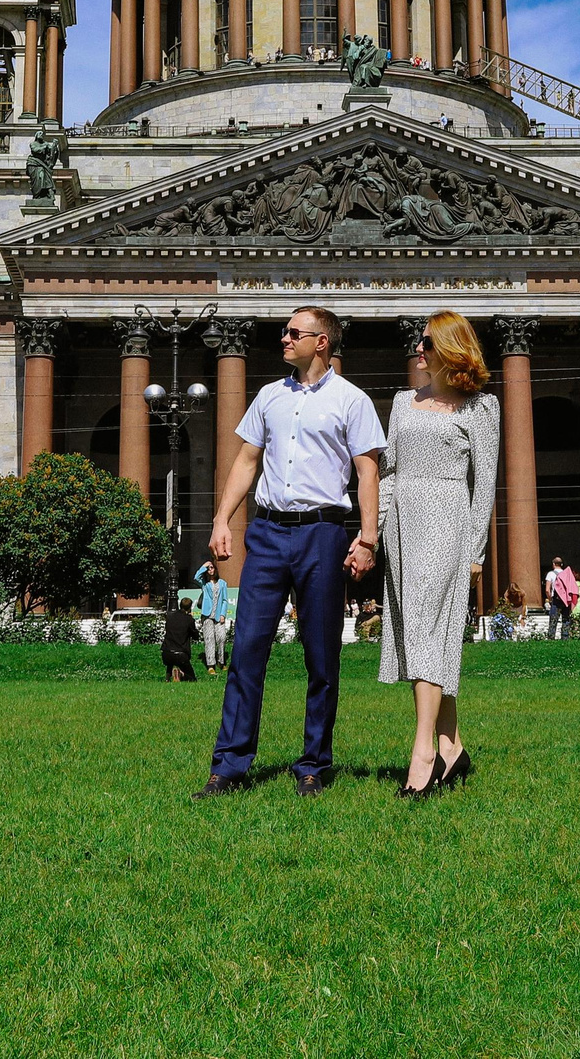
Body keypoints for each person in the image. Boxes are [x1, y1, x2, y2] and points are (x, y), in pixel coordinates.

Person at [196, 307, 384, 799]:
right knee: (246, 650)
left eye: (293, 332)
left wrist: (367, 538)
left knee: (321, 656)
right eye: (284, 331)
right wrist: (221, 519)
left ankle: (313, 765)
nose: (283, 337)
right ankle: (228, 767)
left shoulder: (352, 400)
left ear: (321, 342)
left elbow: (367, 471)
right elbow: (246, 461)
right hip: (266, 533)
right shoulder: (269, 396)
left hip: (323, 533)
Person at [378, 311, 503, 798]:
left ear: (451, 348)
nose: (419, 348)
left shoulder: (481, 407)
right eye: (419, 340)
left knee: (428, 631)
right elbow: (389, 470)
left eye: (427, 342)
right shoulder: (402, 402)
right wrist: (377, 531)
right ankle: (453, 747)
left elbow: (484, 483)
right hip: (402, 527)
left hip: (447, 520)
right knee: (422, 633)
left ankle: (423, 753)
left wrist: (475, 551)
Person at [195, 565, 234, 673]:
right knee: (209, 639)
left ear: (215, 569)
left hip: (218, 615)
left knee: (222, 637)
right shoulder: (205, 583)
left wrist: (223, 614)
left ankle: (221, 661)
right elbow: (196, 577)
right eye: (208, 569)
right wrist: (204, 565)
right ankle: (210, 665)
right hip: (207, 615)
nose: (210, 570)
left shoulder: (222, 583)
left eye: (212, 568)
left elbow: (225, 600)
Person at [161, 597, 199, 682]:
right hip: (181, 654)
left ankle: (168, 677)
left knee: (170, 660)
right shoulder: (189, 619)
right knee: (192, 679)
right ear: (190, 607)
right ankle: (181, 674)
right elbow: (195, 636)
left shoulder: (170, 617)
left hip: (166, 652)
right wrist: (191, 619)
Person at [544, 557, 576, 640]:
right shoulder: (567, 574)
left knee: (553, 619)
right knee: (566, 619)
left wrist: (550, 599)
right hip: (566, 600)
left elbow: (547, 590)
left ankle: (551, 638)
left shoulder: (550, 574)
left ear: (553, 564)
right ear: (561, 564)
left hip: (556, 599)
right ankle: (565, 638)